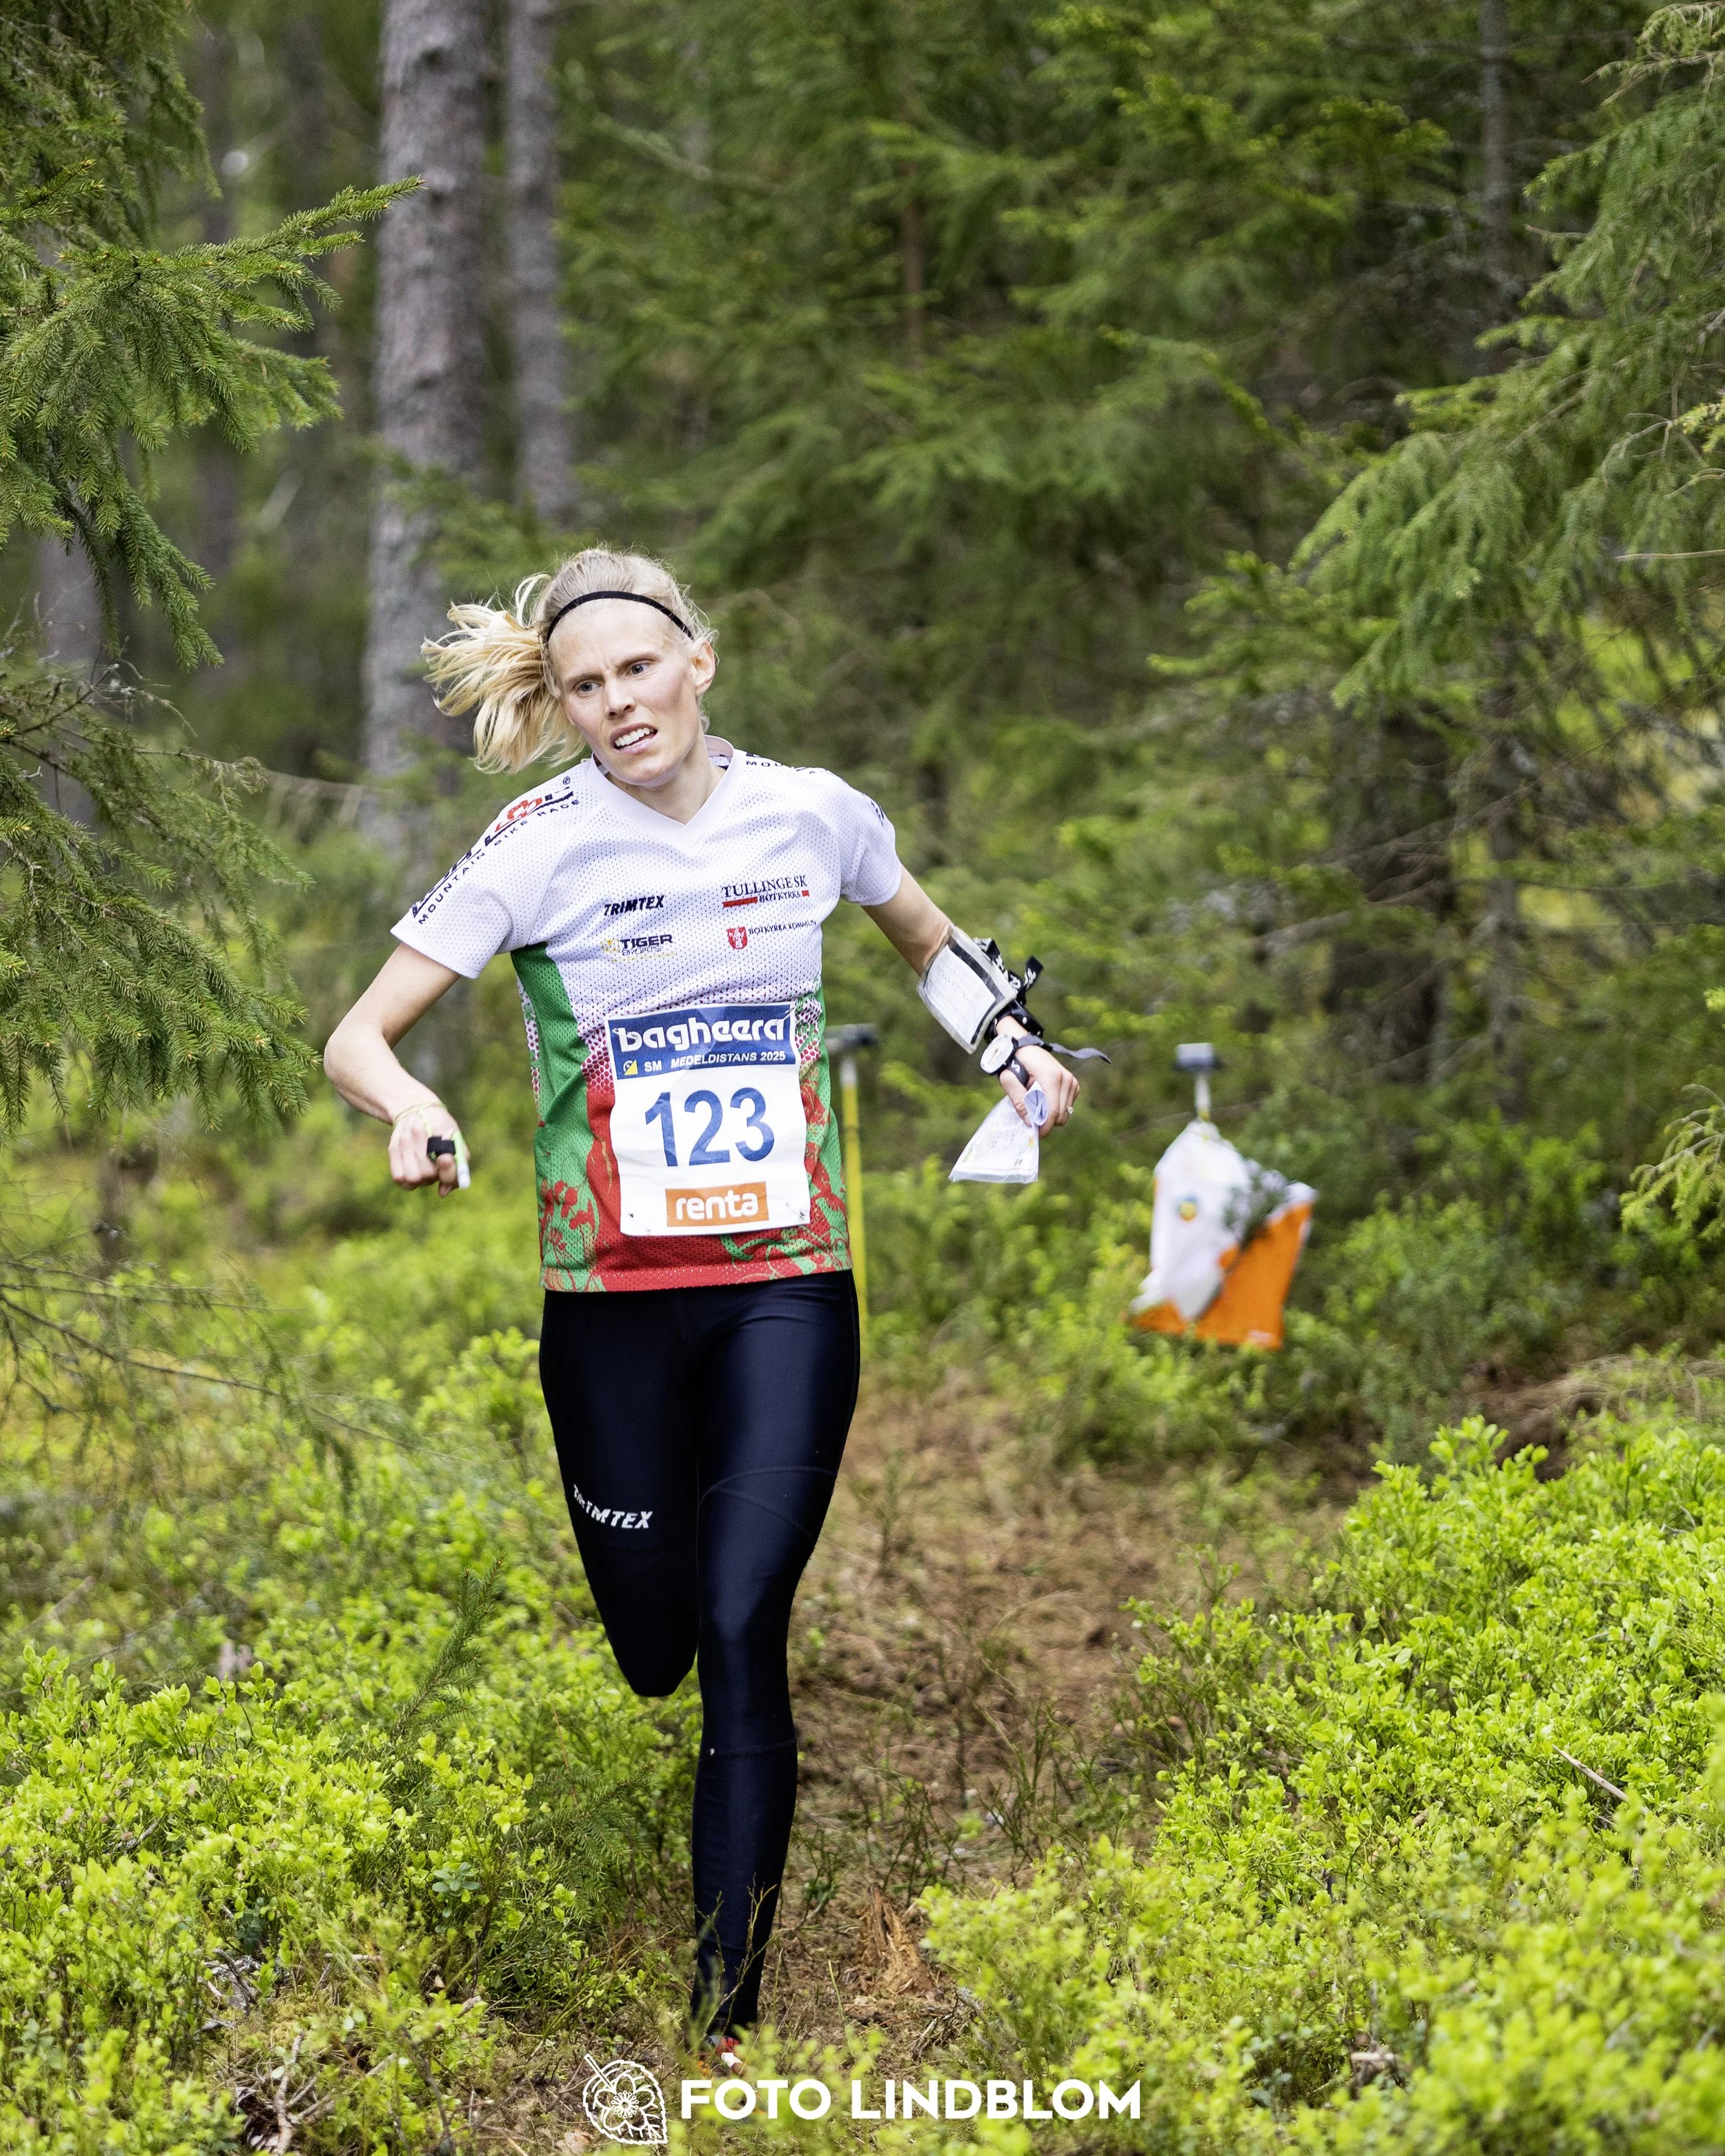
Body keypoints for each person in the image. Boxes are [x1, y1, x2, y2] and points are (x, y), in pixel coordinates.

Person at [322, 547, 1081, 2047]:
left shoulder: (813, 811)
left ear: (698, 663)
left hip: (787, 1285)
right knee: (652, 1643)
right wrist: (409, 1108)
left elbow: (928, 942)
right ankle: (663, 1669)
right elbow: (361, 1032)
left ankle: (721, 2012)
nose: (616, 704)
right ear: (562, 702)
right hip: (605, 1297)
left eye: (636, 671)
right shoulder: (534, 841)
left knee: (741, 1620)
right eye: (583, 685)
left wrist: (1014, 1045)